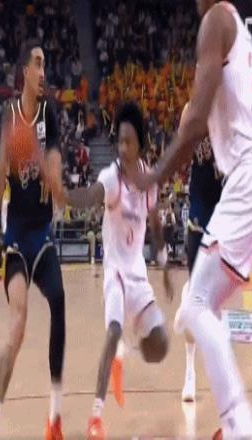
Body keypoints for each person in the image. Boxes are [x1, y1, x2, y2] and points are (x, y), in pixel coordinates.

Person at [131, 1, 252, 437]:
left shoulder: (215, 20)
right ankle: (234, 423)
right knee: (201, 304)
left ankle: (241, 426)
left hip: (246, 184)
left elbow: (194, 121)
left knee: (195, 306)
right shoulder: (239, 27)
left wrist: (154, 175)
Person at [64, 102, 172, 439]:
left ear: (139, 143)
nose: (123, 148)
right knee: (112, 330)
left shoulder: (148, 180)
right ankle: (96, 416)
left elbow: (155, 225)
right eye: (120, 142)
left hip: (138, 274)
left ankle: (127, 350)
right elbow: (90, 196)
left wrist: (164, 264)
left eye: (129, 142)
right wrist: (64, 194)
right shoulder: (111, 177)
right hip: (115, 273)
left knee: (161, 345)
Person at [0, 40, 66, 440]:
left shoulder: (51, 114)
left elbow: (55, 169)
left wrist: (48, 170)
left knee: (59, 300)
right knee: (18, 324)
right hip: (16, 235)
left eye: (45, 64)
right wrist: (3, 166)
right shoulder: (9, 115)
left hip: (42, 234)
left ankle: (54, 415)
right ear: (24, 73)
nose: (43, 71)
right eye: (38, 63)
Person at [177, 103, 223, 402]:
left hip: (225, 200)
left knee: (214, 296)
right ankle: (190, 372)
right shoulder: (193, 109)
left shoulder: (232, 108)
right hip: (200, 202)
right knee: (196, 291)